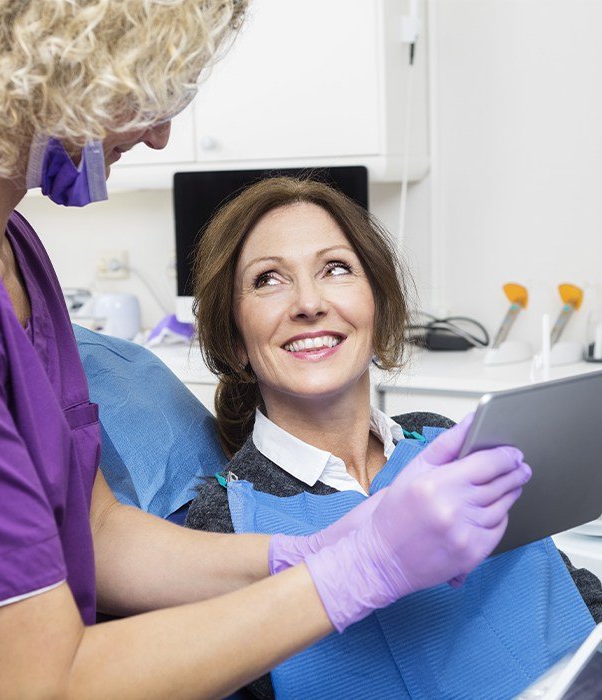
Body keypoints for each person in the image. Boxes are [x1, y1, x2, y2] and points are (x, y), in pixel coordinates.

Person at [0, 3, 531, 698]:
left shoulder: (12, 248)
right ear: (62, 62)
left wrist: (314, 549)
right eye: (148, 89)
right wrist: (362, 570)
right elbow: (38, 685)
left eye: (336, 269)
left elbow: (97, 528)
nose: (163, 135)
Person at [186, 176, 602, 698]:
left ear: (378, 310)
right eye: (269, 279)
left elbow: (565, 591)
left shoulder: (444, 439)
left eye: (335, 268)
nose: (308, 303)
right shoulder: (222, 523)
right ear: (234, 338)